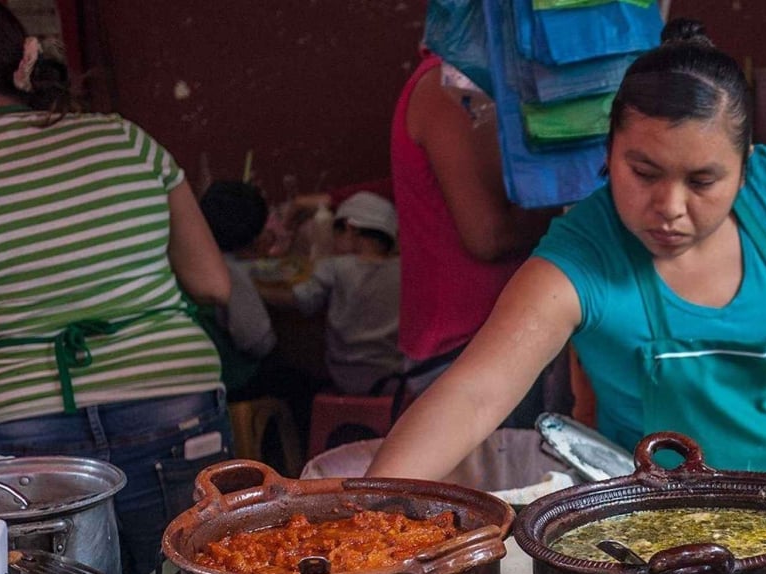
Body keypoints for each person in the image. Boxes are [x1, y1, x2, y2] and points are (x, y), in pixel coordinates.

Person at [369, 20, 766, 481]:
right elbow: (474, 393)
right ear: (609, 151)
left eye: (703, 180)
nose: (668, 206)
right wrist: (371, 513)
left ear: (746, 166)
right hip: (657, 525)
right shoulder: (581, 258)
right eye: (643, 172)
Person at [0, 0, 232, 574]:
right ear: (24, 63)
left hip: (27, 433)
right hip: (173, 404)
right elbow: (212, 282)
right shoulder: (125, 140)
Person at [389, 48, 561, 418]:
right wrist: (573, 205)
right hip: (467, 350)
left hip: (492, 341)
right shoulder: (449, 83)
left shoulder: (484, 78)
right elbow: (490, 235)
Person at [262, 192, 404, 397]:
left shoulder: (335, 267)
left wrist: (251, 287)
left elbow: (298, 299)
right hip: (396, 378)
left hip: (347, 378)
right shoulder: (404, 269)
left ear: (349, 228)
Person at [198, 180, 277, 396]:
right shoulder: (230, 272)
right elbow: (258, 342)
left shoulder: (188, 260)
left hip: (198, 378)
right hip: (232, 383)